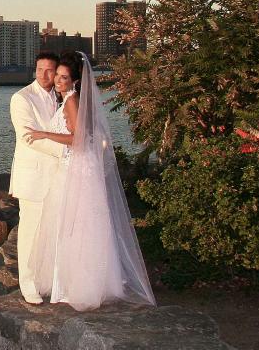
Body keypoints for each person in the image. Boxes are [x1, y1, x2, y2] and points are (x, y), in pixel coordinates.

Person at [25, 52, 156, 310]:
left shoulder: (71, 101)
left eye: (64, 77)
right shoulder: (69, 100)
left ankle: (75, 287)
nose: (58, 80)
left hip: (73, 170)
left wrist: (44, 134)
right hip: (73, 168)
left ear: (75, 81)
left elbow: (78, 139)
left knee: (73, 227)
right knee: (76, 227)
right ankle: (74, 284)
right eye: (57, 75)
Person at [8, 51, 68, 304]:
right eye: (40, 69)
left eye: (49, 70)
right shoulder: (22, 98)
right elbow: (28, 137)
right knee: (31, 233)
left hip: (60, 177)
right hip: (33, 176)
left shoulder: (63, 97)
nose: (44, 75)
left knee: (54, 232)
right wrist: (68, 150)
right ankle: (29, 285)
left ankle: (50, 282)